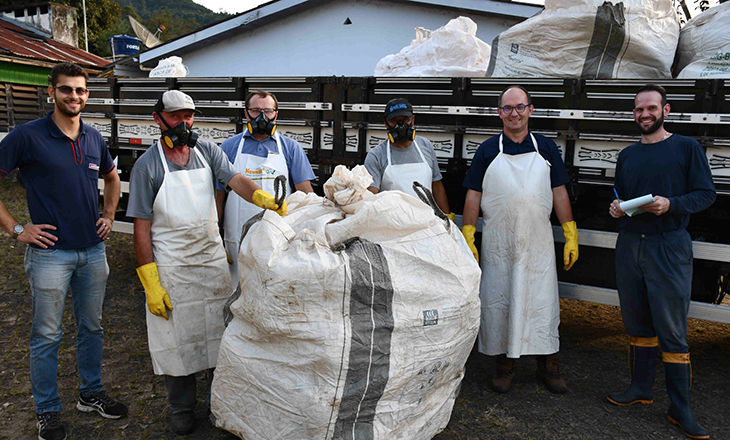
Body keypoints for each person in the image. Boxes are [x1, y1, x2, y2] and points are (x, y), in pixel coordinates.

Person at [127, 90, 286, 435]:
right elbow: (141, 227)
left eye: (189, 116)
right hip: (172, 265)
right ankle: (181, 408)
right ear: (158, 119)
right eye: (175, 117)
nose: (184, 123)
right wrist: (150, 281)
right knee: (177, 340)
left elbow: (234, 179)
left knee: (219, 336)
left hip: (211, 261)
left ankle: (220, 403)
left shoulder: (208, 151)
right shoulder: (147, 166)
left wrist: (261, 196)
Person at [0, 62, 127, 440]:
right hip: (50, 254)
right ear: (52, 92)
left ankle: (90, 394)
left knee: (92, 327)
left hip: (92, 252)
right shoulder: (27, 136)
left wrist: (108, 214)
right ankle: (47, 412)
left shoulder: (93, 138)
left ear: (88, 95)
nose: (75, 96)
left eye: (81, 91)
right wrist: (17, 229)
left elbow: (112, 176)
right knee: (47, 334)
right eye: (67, 90)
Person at [607, 84, 715, 440]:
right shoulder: (627, 155)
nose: (645, 115)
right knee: (637, 321)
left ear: (666, 110)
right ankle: (640, 388)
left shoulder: (687, 148)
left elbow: (705, 194)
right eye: (639, 110)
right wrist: (616, 208)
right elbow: (621, 197)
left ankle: (680, 408)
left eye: (651, 108)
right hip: (630, 245)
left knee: (671, 329)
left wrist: (672, 205)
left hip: (668, 245)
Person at [461, 85, 579, 395]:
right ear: (499, 112)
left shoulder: (547, 148)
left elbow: (559, 192)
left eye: (520, 107)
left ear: (531, 109)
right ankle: (505, 366)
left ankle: (548, 365)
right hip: (500, 246)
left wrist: (570, 233)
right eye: (507, 108)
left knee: (542, 302)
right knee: (500, 299)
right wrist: (469, 234)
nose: (514, 113)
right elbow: (474, 194)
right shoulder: (487, 150)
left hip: (538, 244)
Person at [216, 90, 315, 284]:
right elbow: (218, 196)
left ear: (276, 114)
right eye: (255, 110)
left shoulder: (290, 148)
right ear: (246, 113)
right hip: (237, 236)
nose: (262, 116)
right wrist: (214, 237)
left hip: (279, 236)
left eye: (268, 111)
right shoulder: (229, 147)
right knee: (238, 286)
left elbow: (306, 195)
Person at [364, 98, 453, 218]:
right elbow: (370, 197)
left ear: (413, 120)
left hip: (427, 223)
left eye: (405, 120)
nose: (400, 126)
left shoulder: (425, 146)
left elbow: (436, 185)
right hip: (392, 225)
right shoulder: (376, 155)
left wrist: (447, 218)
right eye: (394, 121)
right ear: (385, 123)